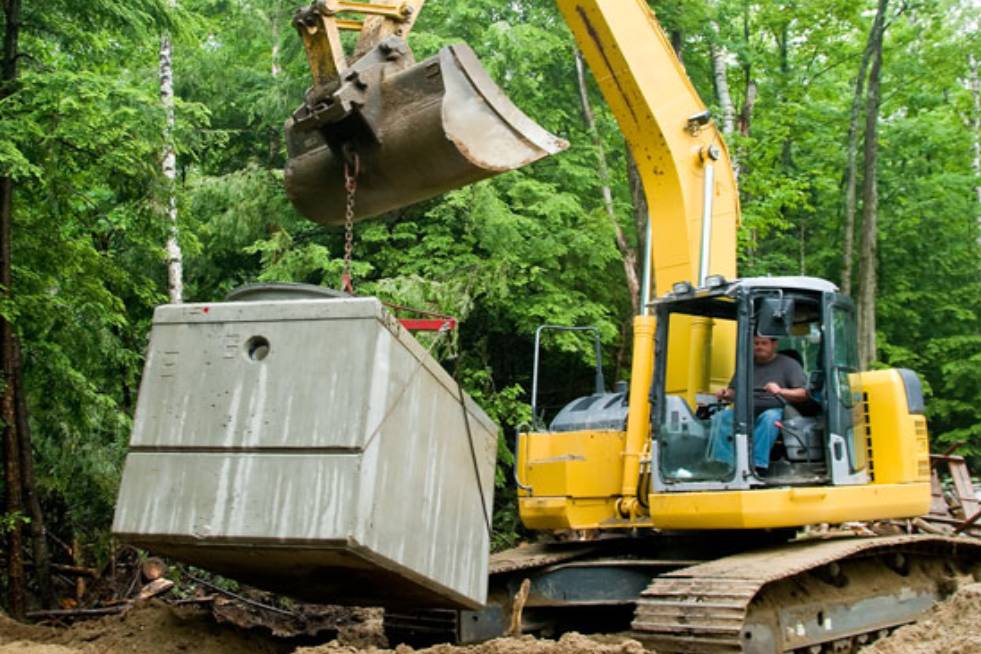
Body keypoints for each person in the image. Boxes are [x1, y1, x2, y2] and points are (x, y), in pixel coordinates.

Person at [706, 336, 808, 474]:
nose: (759, 346)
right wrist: (726, 393)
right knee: (721, 417)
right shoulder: (745, 366)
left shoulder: (789, 365)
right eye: (756, 343)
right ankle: (724, 464)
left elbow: (803, 394)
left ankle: (756, 465)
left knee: (770, 418)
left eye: (764, 343)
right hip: (746, 410)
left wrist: (780, 391)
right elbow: (733, 391)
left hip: (777, 410)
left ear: (774, 344)